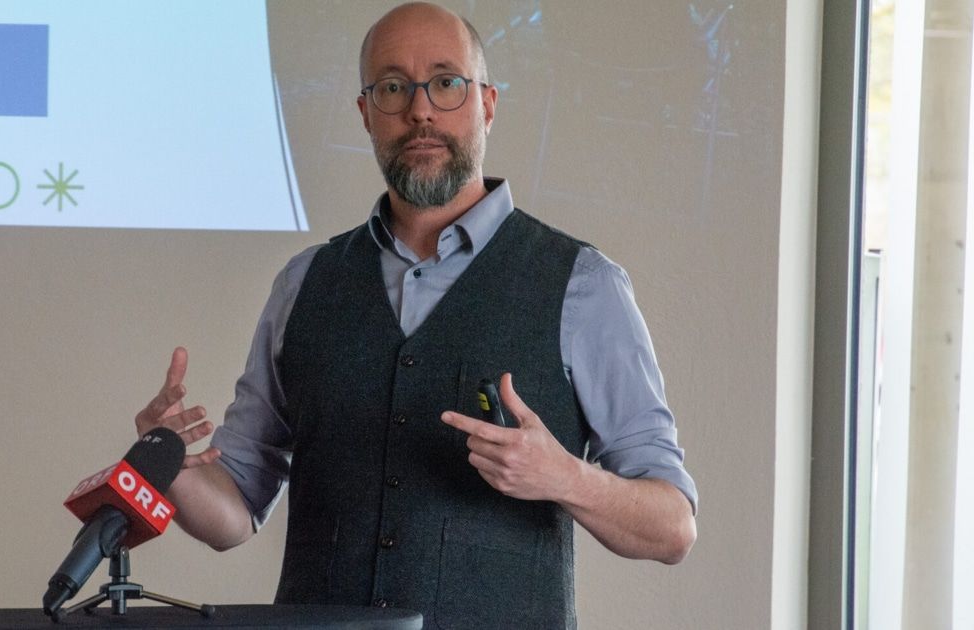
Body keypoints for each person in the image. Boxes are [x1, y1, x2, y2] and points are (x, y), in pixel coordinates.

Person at [135, 3, 697, 628]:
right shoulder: (304, 283)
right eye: (393, 87)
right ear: (365, 113)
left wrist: (566, 477)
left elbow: (673, 526)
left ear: (487, 104)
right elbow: (234, 511)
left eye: (446, 82)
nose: (421, 110)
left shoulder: (583, 286)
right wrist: (168, 464)